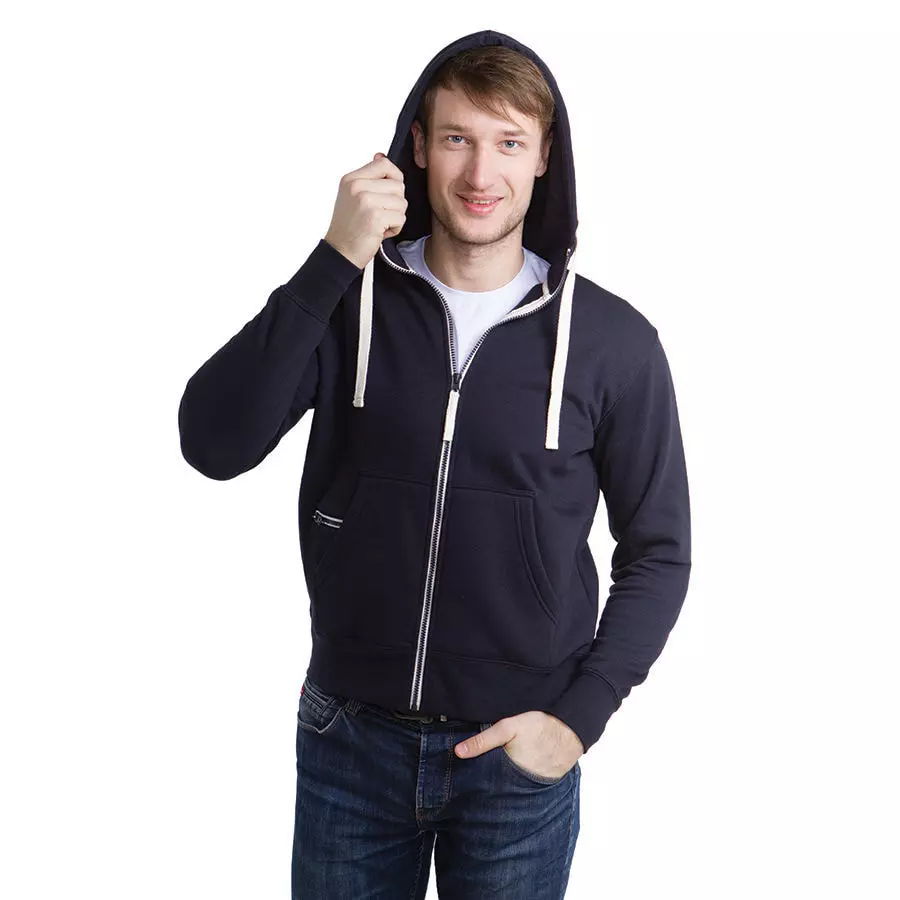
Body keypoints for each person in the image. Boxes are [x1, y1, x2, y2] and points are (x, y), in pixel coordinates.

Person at [178, 28, 691, 900]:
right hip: (349, 740)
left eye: (509, 143)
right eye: (457, 137)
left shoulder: (614, 343)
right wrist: (334, 258)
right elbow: (213, 443)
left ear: (544, 157)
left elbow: (660, 552)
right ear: (416, 146)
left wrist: (577, 720)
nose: (480, 173)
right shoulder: (348, 304)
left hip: (514, 763)